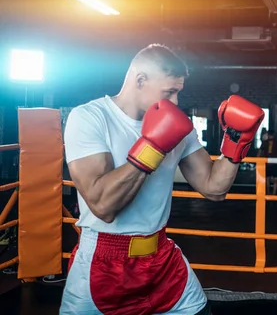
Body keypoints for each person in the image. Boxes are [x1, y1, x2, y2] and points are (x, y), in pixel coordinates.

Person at [60, 44, 264, 315]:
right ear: (140, 80)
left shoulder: (179, 126)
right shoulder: (90, 118)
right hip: (104, 262)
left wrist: (236, 142)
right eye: (170, 92)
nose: (176, 102)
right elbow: (103, 206)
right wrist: (153, 146)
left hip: (161, 258)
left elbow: (214, 188)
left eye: (178, 91)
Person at [258, 130, 277, 194]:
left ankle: (268, 192)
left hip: (267, 163)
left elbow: (259, 152)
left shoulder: (264, 142)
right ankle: (274, 193)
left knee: (267, 178)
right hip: (276, 163)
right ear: (274, 134)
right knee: (276, 179)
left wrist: (257, 160)